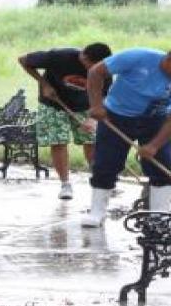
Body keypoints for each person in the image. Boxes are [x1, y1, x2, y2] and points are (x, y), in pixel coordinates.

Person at [81, 45, 171, 227]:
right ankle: (97, 213)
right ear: (168, 59)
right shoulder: (137, 57)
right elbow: (96, 72)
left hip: (155, 120)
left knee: (162, 167)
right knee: (105, 164)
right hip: (116, 116)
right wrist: (96, 105)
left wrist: (154, 145)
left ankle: (159, 217)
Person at [18, 43, 112, 199]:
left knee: (92, 140)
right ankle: (65, 184)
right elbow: (23, 60)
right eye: (92, 65)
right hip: (54, 103)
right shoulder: (60, 56)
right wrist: (44, 84)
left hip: (86, 105)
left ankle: (99, 181)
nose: (96, 69)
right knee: (58, 141)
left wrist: (91, 119)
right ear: (83, 56)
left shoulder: (105, 69)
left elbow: (105, 96)